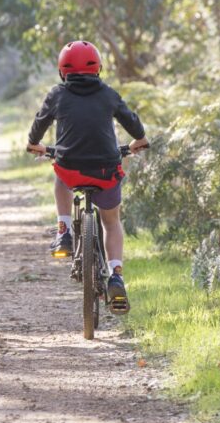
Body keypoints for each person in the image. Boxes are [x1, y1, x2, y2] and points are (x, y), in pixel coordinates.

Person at [26, 40, 148, 314]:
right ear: (98, 68)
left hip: (70, 167)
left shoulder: (57, 94)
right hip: (106, 171)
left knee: (60, 175)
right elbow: (132, 123)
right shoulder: (108, 94)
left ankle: (64, 231)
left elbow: (39, 123)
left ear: (62, 70)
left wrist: (34, 144)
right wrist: (139, 140)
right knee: (111, 222)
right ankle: (116, 275)